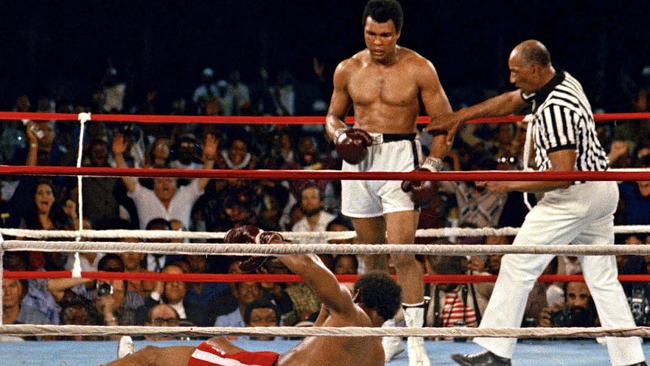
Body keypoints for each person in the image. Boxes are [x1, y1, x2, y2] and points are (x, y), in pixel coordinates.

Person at [427, 39, 646, 366]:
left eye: (516, 72)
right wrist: (462, 116)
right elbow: (512, 100)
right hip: (600, 188)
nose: (512, 79)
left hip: (575, 195)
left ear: (535, 69)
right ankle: (630, 360)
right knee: (602, 277)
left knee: (517, 262)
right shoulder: (558, 80)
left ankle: (496, 352)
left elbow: (563, 174)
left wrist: (506, 184)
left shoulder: (557, 108)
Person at [324, 1, 452, 364]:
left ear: (397, 33)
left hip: (400, 157)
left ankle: (415, 341)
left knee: (401, 252)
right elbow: (332, 116)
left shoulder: (419, 68)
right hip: (358, 159)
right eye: (370, 34)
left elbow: (444, 121)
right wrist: (339, 136)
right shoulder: (348, 68)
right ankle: (382, 335)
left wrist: (431, 166)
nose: (377, 42)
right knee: (371, 257)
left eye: (384, 35)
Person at [103, 225, 402, 366]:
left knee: (151, 357)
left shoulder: (351, 313)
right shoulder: (376, 356)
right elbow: (315, 344)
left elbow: (312, 271)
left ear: (359, 293)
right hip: (272, 361)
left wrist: (267, 240)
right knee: (216, 343)